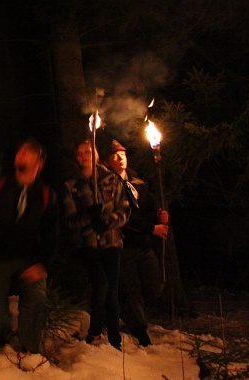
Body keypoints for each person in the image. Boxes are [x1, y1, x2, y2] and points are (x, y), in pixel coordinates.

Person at [0, 138, 59, 367]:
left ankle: (31, 351)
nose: (21, 156)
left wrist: (42, 264)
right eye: (20, 152)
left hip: (30, 259)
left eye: (28, 153)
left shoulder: (46, 195)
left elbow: (52, 235)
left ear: (39, 163)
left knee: (35, 300)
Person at [62, 139, 131, 350]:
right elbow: (69, 220)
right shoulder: (72, 186)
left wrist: (108, 221)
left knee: (111, 289)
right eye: (80, 153)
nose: (84, 156)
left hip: (111, 242)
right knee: (100, 283)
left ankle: (114, 338)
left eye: (87, 152)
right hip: (87, 243)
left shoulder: (112, 180)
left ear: (96, 154)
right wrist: (89, 218)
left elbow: (125, 209)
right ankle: (94, 332)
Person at [104, 140, 169, 347]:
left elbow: (149, 207)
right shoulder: (108, 184)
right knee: (131, 290)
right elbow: (125, 217)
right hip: (124, 246)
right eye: (114, 155)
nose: (120, 157)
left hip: (144, 245)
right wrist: (152, 229)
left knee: (154, 286)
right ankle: (141, 334)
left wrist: (160, 215)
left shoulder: (137, 182)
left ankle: (132, 315)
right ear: (107, 161)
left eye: (122, 153)